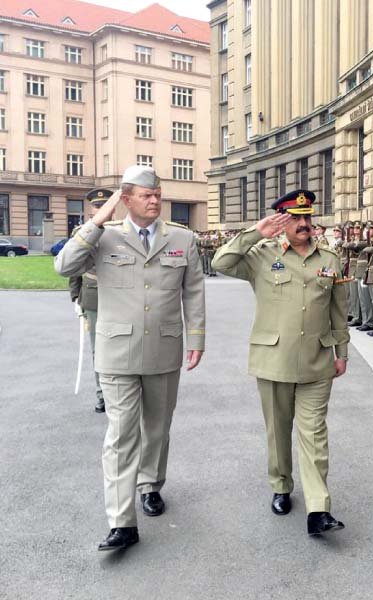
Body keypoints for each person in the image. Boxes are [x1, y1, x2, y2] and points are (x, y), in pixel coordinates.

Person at [55, 165, 205, 551]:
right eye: (145, 194)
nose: (154, 200)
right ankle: (122, 522)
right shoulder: (103, 238)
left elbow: (193, 290)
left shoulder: (182, 239)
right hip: (117, 351)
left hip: (164, 348)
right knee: (121, 435)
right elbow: (64, 265)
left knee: (157, 428)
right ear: (126, 199)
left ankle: (151, 484)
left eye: (157, 194)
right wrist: (98, 220)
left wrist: (197, 337)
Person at [211, 189, 348, 536]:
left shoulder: (329, 259)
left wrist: (341, 352)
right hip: (273, 360)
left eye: (307, 217)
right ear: (281, 220)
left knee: (314, 434)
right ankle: (281, 485)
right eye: (295, 218)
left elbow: (338, 309)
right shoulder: (262, 255)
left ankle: (318, 509)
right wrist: (258, 231)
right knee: (278, 431)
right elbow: (220, 262)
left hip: (317, 361)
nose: (304, 224)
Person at [68, 188, 114, 413]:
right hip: (94, 297)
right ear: (90, 209)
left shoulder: (121, 231)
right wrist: (76, 296)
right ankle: (103, 394)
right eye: (97, 206)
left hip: (120, 297)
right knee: (99, 349)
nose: (101, 210)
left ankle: (122, 391)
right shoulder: (82, 232)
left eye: (106, 206)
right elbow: (74, 267)